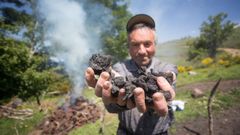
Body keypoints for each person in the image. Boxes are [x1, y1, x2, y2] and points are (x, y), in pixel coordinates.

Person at [85, 14, 178, 135]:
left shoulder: (166, 68)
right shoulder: (118, 69)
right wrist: (115, 102)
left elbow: (168, 93)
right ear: (128, 46)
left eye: (147, 44)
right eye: (135, 44)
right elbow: (110, 106)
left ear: (155, 44)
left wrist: (167, 80)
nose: (142, 51)